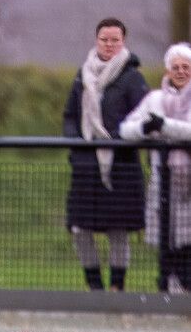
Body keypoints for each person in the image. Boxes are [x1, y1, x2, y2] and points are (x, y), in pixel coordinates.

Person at [63, 18, 148, 291]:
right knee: (80, 230)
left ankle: (117, 289)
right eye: (104, 39)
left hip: (121, 166)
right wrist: (77, 147)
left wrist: (121, 138)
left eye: (115, 40)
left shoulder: (133, 77)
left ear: (123, 41)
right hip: (86, 167)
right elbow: (70, 115)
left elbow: (142, 116)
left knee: (118, 231)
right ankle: (94, 287)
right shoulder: (82, 75)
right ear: (96, 39)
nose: (109, 44)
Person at [120, 42, 191, 293]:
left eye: (186, 67)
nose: (181, 71)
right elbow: (125, 129)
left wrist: (164, 126)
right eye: (175, 67)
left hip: (188, 187)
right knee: (166, 245)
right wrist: (144, 129)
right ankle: (168, 296)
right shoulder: (154, 99)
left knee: (187, 245)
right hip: (163, 184)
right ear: (167, 71)